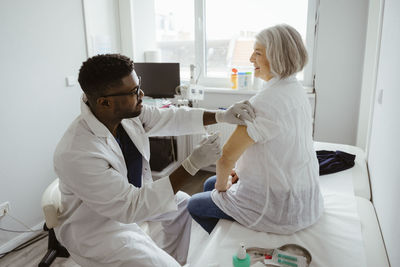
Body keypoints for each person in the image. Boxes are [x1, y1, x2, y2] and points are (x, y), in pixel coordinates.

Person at [53, 54, 255, 267]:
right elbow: (130, 207)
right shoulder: (77, 152)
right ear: (105, 102)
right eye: (133, 92)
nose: (141, 93)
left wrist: (221, 116)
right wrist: (192, 163)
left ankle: (177, 259)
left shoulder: (126, 116)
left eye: (138, 84)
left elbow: (172, 117)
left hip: (129, 201)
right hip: (98, 230)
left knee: (185, 205)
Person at [188, 24, 324, 235]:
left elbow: (225, 158)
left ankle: (229, 235)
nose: (251, 58)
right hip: (302, 195)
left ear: (277, 57)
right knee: (209, 182)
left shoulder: (266, 101)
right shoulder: (294, 89)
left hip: (279, 207)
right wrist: (238, 175)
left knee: (195, 203)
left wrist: (222, 191)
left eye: (258, 53)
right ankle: (222, 226)